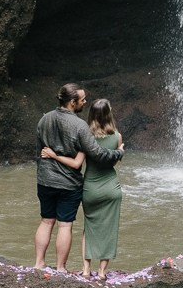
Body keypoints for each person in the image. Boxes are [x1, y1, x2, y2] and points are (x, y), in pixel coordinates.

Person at [34, 82, 123, 271]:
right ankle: (60, 267)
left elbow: (40, 149)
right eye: (82, 100)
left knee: (46, 220)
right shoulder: (80, 126)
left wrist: (49, 161)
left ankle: (39, 263)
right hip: (68, 182)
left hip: (45, 179)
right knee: (64, 226)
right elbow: (98, 154)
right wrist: (118, 153)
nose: (85, 102)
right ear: (73, 102)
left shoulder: (44, 120)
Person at [75, 98, 122, 277]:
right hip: (111, 187)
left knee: (89, 227)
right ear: (109, 114)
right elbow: (113, 162)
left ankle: (86, 269)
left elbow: (80, 160)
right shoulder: (117, 137)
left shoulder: (86, 136)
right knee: (109, 229)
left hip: (91, 188)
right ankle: (102, 272)